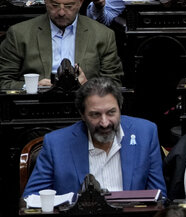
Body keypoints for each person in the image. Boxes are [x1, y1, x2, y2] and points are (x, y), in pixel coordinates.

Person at [23, 78, 166, 196]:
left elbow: (159, 196)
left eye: (111, 113)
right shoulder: (56, 144)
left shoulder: (145, 133)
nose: (104, 123)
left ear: (120, 108)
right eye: (95, 115)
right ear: (82, 115)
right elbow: (31, 199)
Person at [0, 0, 123, 89]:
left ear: (81, 1)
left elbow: (114, 84)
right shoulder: (19, 34)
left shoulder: (103, 35)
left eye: (69, 6)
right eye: (54, 5)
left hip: (85, 104)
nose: (61, 12)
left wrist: (87, 86)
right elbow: (3, 81)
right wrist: (32, 87)